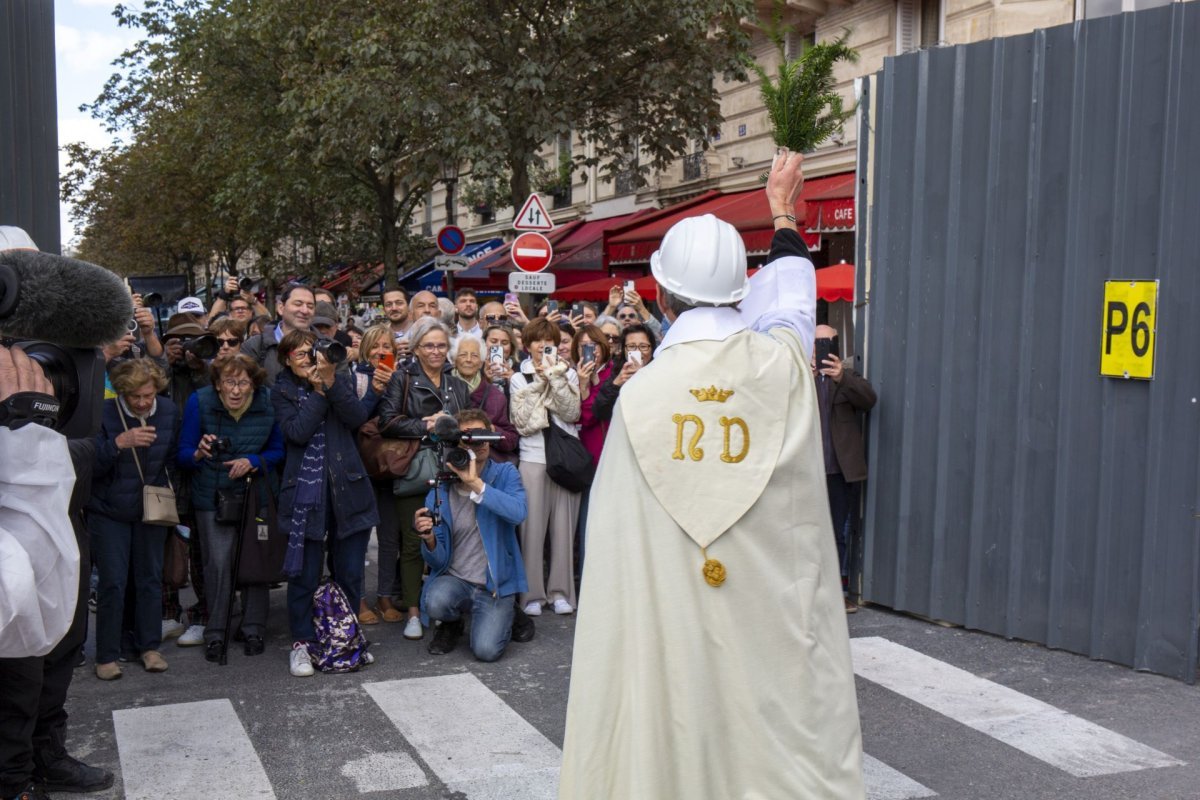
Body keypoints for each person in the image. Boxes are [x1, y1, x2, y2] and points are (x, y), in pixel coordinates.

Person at [559, 149, 865, 799]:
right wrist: (783, 212)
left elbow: (615, 554)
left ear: (662, 296)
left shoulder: (639, 398)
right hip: (767, 633)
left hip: (673, 643)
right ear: (740, 290)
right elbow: (789, 306)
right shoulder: (782, 370)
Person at [0, 343, 115, 798]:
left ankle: (49, 757)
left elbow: (92, 456)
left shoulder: (77, 406)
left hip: (67, 538)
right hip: (14, 553)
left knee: (61, 659)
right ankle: (13, 780)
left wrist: (40, 430)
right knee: (17, 682)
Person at [272, 330, 379, 677]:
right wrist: (320, 392)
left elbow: (356, 418)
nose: (308, 360)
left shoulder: (339, 377)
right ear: (286, 358)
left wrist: (331, 381)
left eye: (312, 353)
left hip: (348, 491)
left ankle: (347, 637)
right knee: (304, 576)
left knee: (349, 572)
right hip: (305, 496)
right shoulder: (281, 390)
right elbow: (298, 432)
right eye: (300, 355)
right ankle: (303, 643)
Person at [177, 355, 284, 662]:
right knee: (219, 565)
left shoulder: (268, 402)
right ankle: (216, 631)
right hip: (213, 495)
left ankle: (253, 628)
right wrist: (198, 452)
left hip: (257, 494)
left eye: (243, 383)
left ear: (254, 384)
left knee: (256, 561)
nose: (236, 390)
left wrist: (252, 461)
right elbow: (183, 454)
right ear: (217, 384)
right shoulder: (200, 402)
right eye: (229, 382)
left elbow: (278, 450)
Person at [377, 318, 471, 640]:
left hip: (452, 469)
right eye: (429, 345)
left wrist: (454, 428)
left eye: (441, 345)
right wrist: (425, 425)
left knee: (450, 538)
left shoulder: (457, 383)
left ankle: (447, 608)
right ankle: (414, 613)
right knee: (415, 540)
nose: (435, 351)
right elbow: (386, 423)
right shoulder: (402, 378)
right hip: (416, 468)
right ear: (416, 348)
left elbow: (467, 424)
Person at [88, 358, 179, 680]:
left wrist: (170, 491)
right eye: (135, 397)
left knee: (150, 579)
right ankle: (107, 655)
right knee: (113, 582)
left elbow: (172, 459)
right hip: (108, 511)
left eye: (148, 396)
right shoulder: (104, 413)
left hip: (150, 509)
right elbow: (89, 465)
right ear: (123, 393)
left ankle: (149, 647)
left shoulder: (168, 411)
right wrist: (117, 445)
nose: (142, 402)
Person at [414, 409, 528, 661]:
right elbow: (436, 561)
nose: (480, 444)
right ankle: (453, 623)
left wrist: (477, 483)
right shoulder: (441, 488)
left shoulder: (505, 473)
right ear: (457, 441)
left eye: (484, 436)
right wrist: (429, 538)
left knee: (486, 651)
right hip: (457, 580)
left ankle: (509, 612)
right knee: (435, 601)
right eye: (470, 438)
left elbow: (518, 513)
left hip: (493, 585)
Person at [509, 316, 582, 616]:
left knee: (565, 529)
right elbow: (525, 423)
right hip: (533, 458)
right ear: (527, 346)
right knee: (532, 531)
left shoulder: (569, 374)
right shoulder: (518, 378)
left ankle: (561, 591)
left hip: (565, 459)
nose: (543, 346)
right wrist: (540, 381)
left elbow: (571, 411)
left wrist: (554, 377)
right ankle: (531, 595)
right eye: (537, 340)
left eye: (549, 341)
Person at [160, 313, 217, 647]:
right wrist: (165, 362)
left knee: (200, 549)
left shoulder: (207, 373)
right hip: (166, 468)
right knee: (168, 546)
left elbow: (213, 404)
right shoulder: (159, 367)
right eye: (180, 341)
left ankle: (202, 614)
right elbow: (149, 396)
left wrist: (198, 368)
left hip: (199, 466)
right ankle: (169, 613)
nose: (188, 347)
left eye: (193, 340)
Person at [813, 324, 877, 613]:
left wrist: (841, 377)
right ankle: (809, 593)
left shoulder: (848, 376)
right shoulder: (799, 375)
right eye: (818, 343)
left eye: (829, 342)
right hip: (807, 468)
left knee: (837, 533)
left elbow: (869, 400)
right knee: (804, 532)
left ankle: (835, 593)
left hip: (839, 470)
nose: (823, 348)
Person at [350, 325, 399, 625]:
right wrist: (376, 392)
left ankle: (385, 595)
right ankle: (358, 598)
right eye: (376, 345)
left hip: (391, 464)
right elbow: (353, 418)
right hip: (359, 465)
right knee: (358, 537)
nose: (381, 351)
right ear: (365, 348)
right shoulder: (353, 378)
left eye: (387, 346)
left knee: (390, 536)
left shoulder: (401, 377)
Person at [451, 334, 518, 463]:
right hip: (450, 458)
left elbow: (511, 440)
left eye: (475, 355)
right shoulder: (442, 387)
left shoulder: (495, 396)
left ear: (482, 362)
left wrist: (490, 430)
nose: (469, 359)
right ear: (454, 360)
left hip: (483, 462)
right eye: (463, 355)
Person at [241, 283, 317, 385]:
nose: (305, 310)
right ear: (281, 308)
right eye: (298, 304)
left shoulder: (330, 346)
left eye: (310, 306)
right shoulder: (254, 346)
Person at [589, 323, 657, 425]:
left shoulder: (659, 372)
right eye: (631, 346)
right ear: (623, 349)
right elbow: (600, 412)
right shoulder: (616, 372)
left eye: (643, 346)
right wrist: (616, 384)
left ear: (652, 349)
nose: (637, 351)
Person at [382, 288, 412, 357]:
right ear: (384, 309)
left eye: (399, 303)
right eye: (388, 304)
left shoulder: (421, 331)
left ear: (408, 306)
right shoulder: (379, 334)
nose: (394, 308)